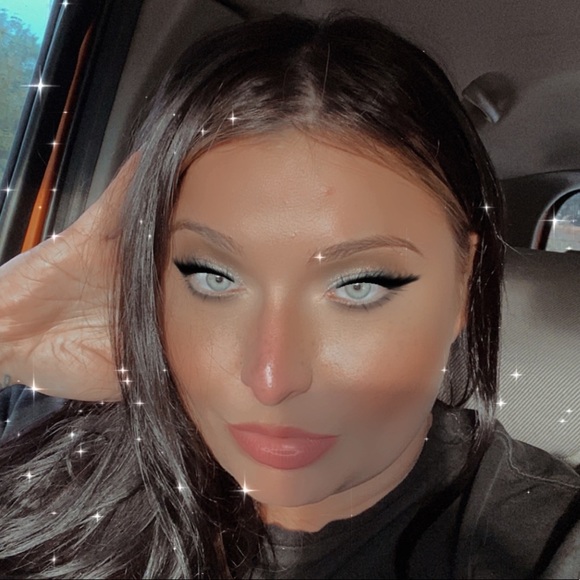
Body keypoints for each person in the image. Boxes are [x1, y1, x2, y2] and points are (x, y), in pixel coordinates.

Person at [0, 12, 578, 580]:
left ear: (461, 284)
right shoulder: (60, 431)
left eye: (358, 286)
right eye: (213, 277)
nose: (272, 379)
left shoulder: (537, 543)